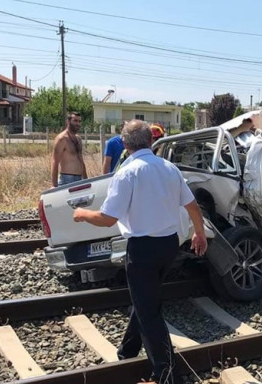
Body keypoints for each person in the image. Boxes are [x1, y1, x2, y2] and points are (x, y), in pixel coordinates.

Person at [72, 120, 207, 384]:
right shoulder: (170, 168)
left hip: (142, 249)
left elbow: (107, 218)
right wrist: (199, 233)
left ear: (124, 144)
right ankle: (128, 351)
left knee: (149, 312)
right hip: (169, 245)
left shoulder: (127, 172)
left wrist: (82, 213)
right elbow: (192, 206)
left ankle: (167, 374)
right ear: (151, 141)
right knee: (145, 300)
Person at [51, 112, 87, 187]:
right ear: (68, 121)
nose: (78, 123)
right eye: (75, 121)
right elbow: (55, 162)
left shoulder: (78, 139)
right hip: (66, 180)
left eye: (79, 121)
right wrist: (54, 185)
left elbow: (81, 161)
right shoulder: (61, 139)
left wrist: (86, 180)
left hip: (79, 179)